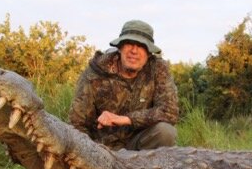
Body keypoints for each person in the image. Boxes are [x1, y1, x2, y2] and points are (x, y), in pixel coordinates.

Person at [69, 20, 178, 150]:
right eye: (129, 44)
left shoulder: (158, 69)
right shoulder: (94, 73)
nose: (134, 51)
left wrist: (125, 119)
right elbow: (77, 124)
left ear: (149, 53)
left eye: (141, 45)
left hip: (141, 146)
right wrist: (91, 153)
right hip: (101, 150)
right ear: (120, 47)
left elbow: (169, 111)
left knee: (165, 132)